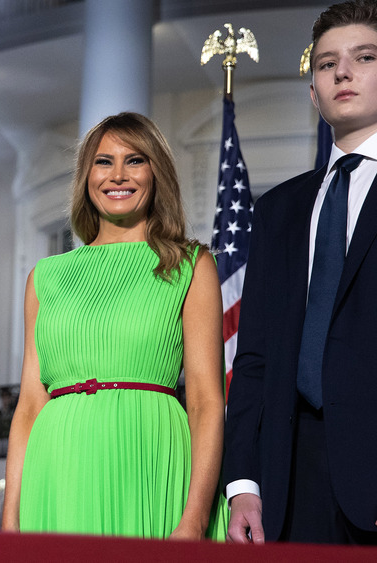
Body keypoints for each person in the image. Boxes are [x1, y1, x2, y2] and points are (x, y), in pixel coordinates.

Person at [1, 113, 226, 539]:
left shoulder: (190, 266)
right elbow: (30, 404)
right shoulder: (44, 277)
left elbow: (205, 401)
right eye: (103, 162)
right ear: (86, 176)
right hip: (58, 473)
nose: (118, 175)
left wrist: (194, 519)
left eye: (135, 160)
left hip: (150, 463)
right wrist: (11, 518)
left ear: (156, 172)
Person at [225, 0, 377, 544]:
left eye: (364, 56)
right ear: (314, 92)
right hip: (290, 485)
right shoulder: (278, 211)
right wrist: (243, 482)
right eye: (326, 63)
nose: (342, 71)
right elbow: (256, 358)